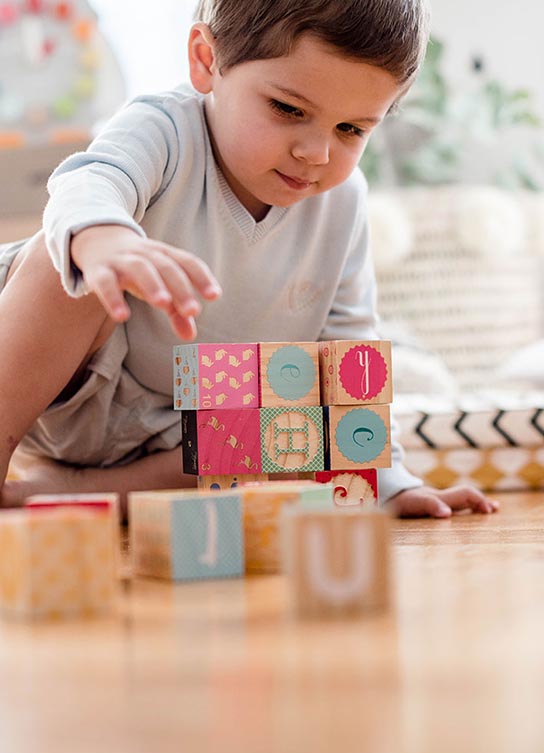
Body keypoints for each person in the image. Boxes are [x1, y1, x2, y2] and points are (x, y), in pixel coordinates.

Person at [0, 0, 498, 519]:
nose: (317, 152)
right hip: (64, 387)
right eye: (289, 109)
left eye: (351, 129)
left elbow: (348, 357)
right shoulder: (164, 128)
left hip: (177, 435)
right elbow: (89, 181)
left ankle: (63, 493)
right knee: (65, 259)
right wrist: (106, 239)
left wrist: (387, 480)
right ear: (205, 60)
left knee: (297, 438)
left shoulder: (343, 202)